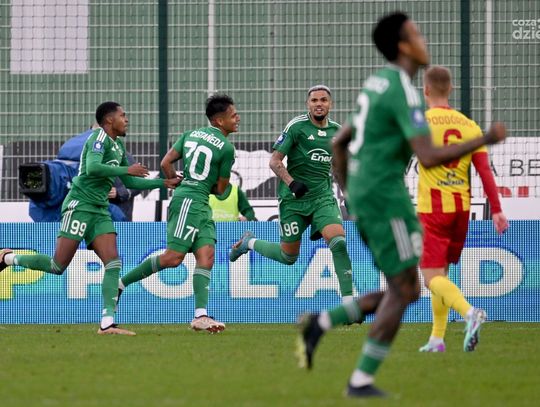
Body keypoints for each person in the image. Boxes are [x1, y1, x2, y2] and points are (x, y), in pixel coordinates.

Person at [296, 12, 506, 398]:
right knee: (405, 288)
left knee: (406, 288)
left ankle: (322, 324)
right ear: (403, 45)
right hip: (385, 197)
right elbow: (427, 156)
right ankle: (358, 378)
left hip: (371, 195)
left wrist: (352, 193)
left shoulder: (376, 83)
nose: (424, 40)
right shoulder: (403, 90)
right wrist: (485, 139)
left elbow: (340, 142)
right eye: (417, 34)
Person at [0, 101, 180, 335]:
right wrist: (126, 169)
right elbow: (94, 168)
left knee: (113, 262)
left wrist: (163, 183)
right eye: (123, 115)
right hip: (80, 206)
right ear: (109, 120)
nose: (127, 120)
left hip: (100, 210)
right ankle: (7, 257)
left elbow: (129, 182)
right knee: (57, 266)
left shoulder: (118, 146)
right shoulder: (98, 139)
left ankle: (107, 323)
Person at [117, 94, 238, 333]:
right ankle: (120, 284)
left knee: (207, 255)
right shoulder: (226, 148)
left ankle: (200, 316)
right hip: (191, 203)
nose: (238, 118)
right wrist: (205, 183)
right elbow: (221, 190)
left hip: (195, 201)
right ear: (219, 121)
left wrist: (176, 180)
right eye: (233, 115)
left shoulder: (190, 134)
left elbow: (165, 163)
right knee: (173, 258)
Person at [229, 85, 354, 304]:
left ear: (330, 104)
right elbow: (274, 161)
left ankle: (349, 303)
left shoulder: (337, 132)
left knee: (339, 243)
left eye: (323, 100)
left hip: (322, 198)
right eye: (314, 100)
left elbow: (339, 168)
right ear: (308, 104)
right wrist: (291, 183)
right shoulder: (297, 127)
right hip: (293, 200)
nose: (319, 104)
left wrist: (348, 195)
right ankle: (249, 243)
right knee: (288, 257)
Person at [417, 65, 508, 352]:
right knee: (441, 273)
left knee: (430, 277)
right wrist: (496, 209)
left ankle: (470, 313)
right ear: (451, 89)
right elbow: (484, 171)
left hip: (432, 209)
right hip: (460, 210)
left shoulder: (421, 122)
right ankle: (437, 339)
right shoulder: (469, 126)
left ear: (425, 90)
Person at [108, 152, 142, 221]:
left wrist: (119, 192)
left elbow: (139, 184)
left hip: (121, 216)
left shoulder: (126, 157)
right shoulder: (92, 157)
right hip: (96, 217)